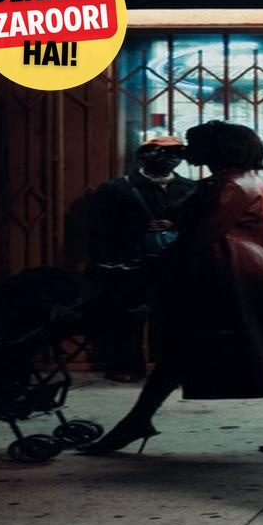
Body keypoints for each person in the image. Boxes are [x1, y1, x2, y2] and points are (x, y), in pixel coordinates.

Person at [78, 121, 263, 455]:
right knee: (257, 344)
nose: (187, 151)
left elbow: (201, 233)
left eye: (193, 143)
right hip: (235, 271)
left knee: (199, 346)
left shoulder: (231, 186)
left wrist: (152, 265)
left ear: (216, 149)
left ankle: (137, 421)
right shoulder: (230, 182)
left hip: (230, 273)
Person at [86, 137, 196, 382]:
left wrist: (175, 226)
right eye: (163, 152)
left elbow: (201, 223)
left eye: (177, 153)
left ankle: (171, 368)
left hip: (177, 262)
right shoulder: (116, 189)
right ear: (144, 155)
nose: (171, 158)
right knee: (128, 316)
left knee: (176, 316)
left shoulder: (190, 188)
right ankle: (126, 366)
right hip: (131, 262)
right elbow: (100, 228)